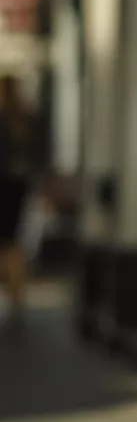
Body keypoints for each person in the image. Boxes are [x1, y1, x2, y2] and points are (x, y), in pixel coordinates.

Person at [0, 74, 41, 324]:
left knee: (6, 244)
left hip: (3, 185)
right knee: (12, 243)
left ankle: (13, 295)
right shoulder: (27, 118)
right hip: (19, 187)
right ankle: (16, 298)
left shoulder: (3, 118)